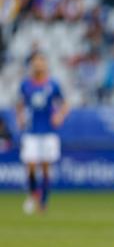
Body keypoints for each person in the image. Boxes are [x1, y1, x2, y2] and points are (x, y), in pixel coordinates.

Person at [15, 52, 69, 214]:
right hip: (31, 131)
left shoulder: (53, 84)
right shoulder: (26, 84)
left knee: (46, 167)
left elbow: (65, 103)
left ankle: (43, 202)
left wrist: (59, 115)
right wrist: (20, 118)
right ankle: (33, 195)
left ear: (45, 64)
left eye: (40, 61)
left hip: (48, 131)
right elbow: (19, 103)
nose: (38, 64)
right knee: (30, 165)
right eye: (35, 62)